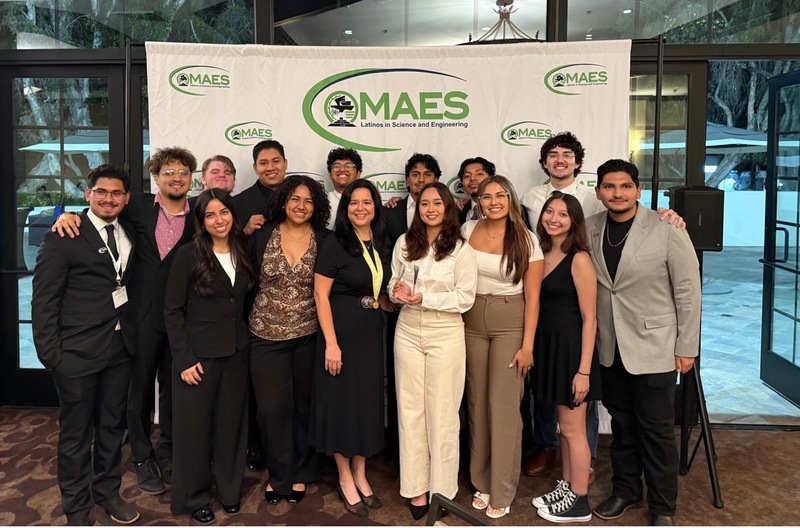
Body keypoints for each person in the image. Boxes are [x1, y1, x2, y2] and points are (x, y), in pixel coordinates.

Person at [52, 146, 198, 495]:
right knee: (139, 390)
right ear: (156, 178)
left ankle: (169, 451)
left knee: (177, 390)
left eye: (182, 172)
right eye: (169, 172)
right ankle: (142, 456)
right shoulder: (136, 206)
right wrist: (67, 215)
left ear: (191, 179)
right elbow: (101, 210)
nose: (176, 178)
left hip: (182, 318)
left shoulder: (201, 213)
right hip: (140, 316)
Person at [587, 160, 701, 526]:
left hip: (656, 347)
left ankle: (664, 507)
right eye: (609, 186)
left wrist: (687, 345)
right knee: (622, 427)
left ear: (637, 190)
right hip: (610, 347)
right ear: (598, 191)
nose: (616, 193)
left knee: (656, 430)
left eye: (624, 186)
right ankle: (626, 491)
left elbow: (687, 290)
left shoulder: (667, 227)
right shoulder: (590, 228)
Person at [32, 164, 139, 526]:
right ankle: (77, 509)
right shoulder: (64, 236)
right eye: (101, 192)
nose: (109, 199)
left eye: (116, 193)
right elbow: (44, 301)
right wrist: (52, 357)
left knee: (111, 429)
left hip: (120, 350)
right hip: (75, 355)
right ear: (88, 194)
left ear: (126, 198)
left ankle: (107, 491)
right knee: (76, 437)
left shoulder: (129, 232)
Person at [163, 190, 256, 525]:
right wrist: (184, 360)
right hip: (197, 358)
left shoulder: (242, 250)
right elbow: (172, 311)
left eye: (225, 212)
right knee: (194, 431)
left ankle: (230, 491)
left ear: (233, 214)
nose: (220, 220)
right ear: (201, 221)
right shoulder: (188, 254)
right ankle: (194, 497)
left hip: (236, 353)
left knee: (231, 427)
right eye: (211, 215)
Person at [387, 182, 477, 520]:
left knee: (442, 414)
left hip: (445, 333)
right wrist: (397, 292)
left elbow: (465, 299)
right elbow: (393, 286)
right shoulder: (404, 242)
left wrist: (425, 297)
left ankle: (443, 492)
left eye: (437, 202)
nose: (430, 208)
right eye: (424, 203)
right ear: (418, 208)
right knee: (410, 413)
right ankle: (416, 489)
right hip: (408, 330)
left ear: (448, 207)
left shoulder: (461, 249)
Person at [519, 132, 603, 479]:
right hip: (545, 335)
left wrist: (583, 370)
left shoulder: (592, 200)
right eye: (553, 154)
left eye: (567, 155)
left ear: (577, 162)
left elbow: (589, 319)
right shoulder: (530, 198)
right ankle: (551, 453)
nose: (560, 160)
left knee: (577, 418)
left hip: (572, 333)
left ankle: (586, 466)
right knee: (548, 403)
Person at [462, 175, 543, 519]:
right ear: (478, 201)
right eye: (486, 196)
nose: (493, 202)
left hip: (511, 323)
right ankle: (481, 480)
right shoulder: (466, 232)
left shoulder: (527, 239)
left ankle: (503, 487)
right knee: (476, 403)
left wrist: (527, 346)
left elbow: (534, 297)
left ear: (510, 198)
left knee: (505, 407)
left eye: (500, 195)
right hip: (469, 321)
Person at [310, 179, 392, 518]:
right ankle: (344, 476)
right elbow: (320, 295)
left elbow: (379, 290)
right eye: (354, 202)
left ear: (375, 206)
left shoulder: (381, 242)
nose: (361, 208)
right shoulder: (334, 242)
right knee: (342, 404)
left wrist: (395, 299)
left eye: (367, 202)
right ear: (345, 208)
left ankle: (361, 472)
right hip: (340, 335)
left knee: (366, 404)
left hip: (372, 335)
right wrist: (331, 343)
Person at [248, 175, 331, 505]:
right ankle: (279, 474)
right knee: (271, 409)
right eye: (295, 199)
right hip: (264, 335)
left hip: (308, 336)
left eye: (309, 201)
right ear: (283, 201)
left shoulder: (326, 239)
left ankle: (300, 473)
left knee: (303, 408)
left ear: (317, 207)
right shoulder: (262, 234)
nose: (301, 206)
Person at [530, 192, 601, 523]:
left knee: (573, 430)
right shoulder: (542, 251)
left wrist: (583, 371)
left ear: (574, 221)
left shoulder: (580, 258)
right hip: (549, 350)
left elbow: (590, 319)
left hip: (571, 353)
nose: (554, 218)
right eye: (549, 211)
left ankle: (581, 502)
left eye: (563, 214)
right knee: (564, 429)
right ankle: (569, 486)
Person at [382, 152, 442, 464]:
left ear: (436, 180)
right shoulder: (388, 212)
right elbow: (379, 255)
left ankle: (437, 450)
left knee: (438, 389)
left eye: (427, 174)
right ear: (407, 180)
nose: (420, 179)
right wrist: (386, 294)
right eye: (415, 174)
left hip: (439, 317)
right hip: (398, 312)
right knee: (401, 383)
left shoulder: (449, 214)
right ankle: (399, 449)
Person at [236, 139, 288, 235]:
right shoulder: (238, 203)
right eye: (263, 163)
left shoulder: (301, 198)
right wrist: (245, 232)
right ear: (255, 168)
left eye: (276, 161)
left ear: (285, 164)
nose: (270, 168)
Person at [325, 147, 362, 229]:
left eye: (348, 166)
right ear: (330, 174)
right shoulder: (322, 202)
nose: (342, 169)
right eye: (336, 166)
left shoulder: (368, 202)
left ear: (358, 174)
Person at [457, 157, 495, 224]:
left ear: (491, 178)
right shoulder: (459, 211)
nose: (472, 178)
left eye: (479, 174)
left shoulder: (504, 208)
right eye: (467, 176)